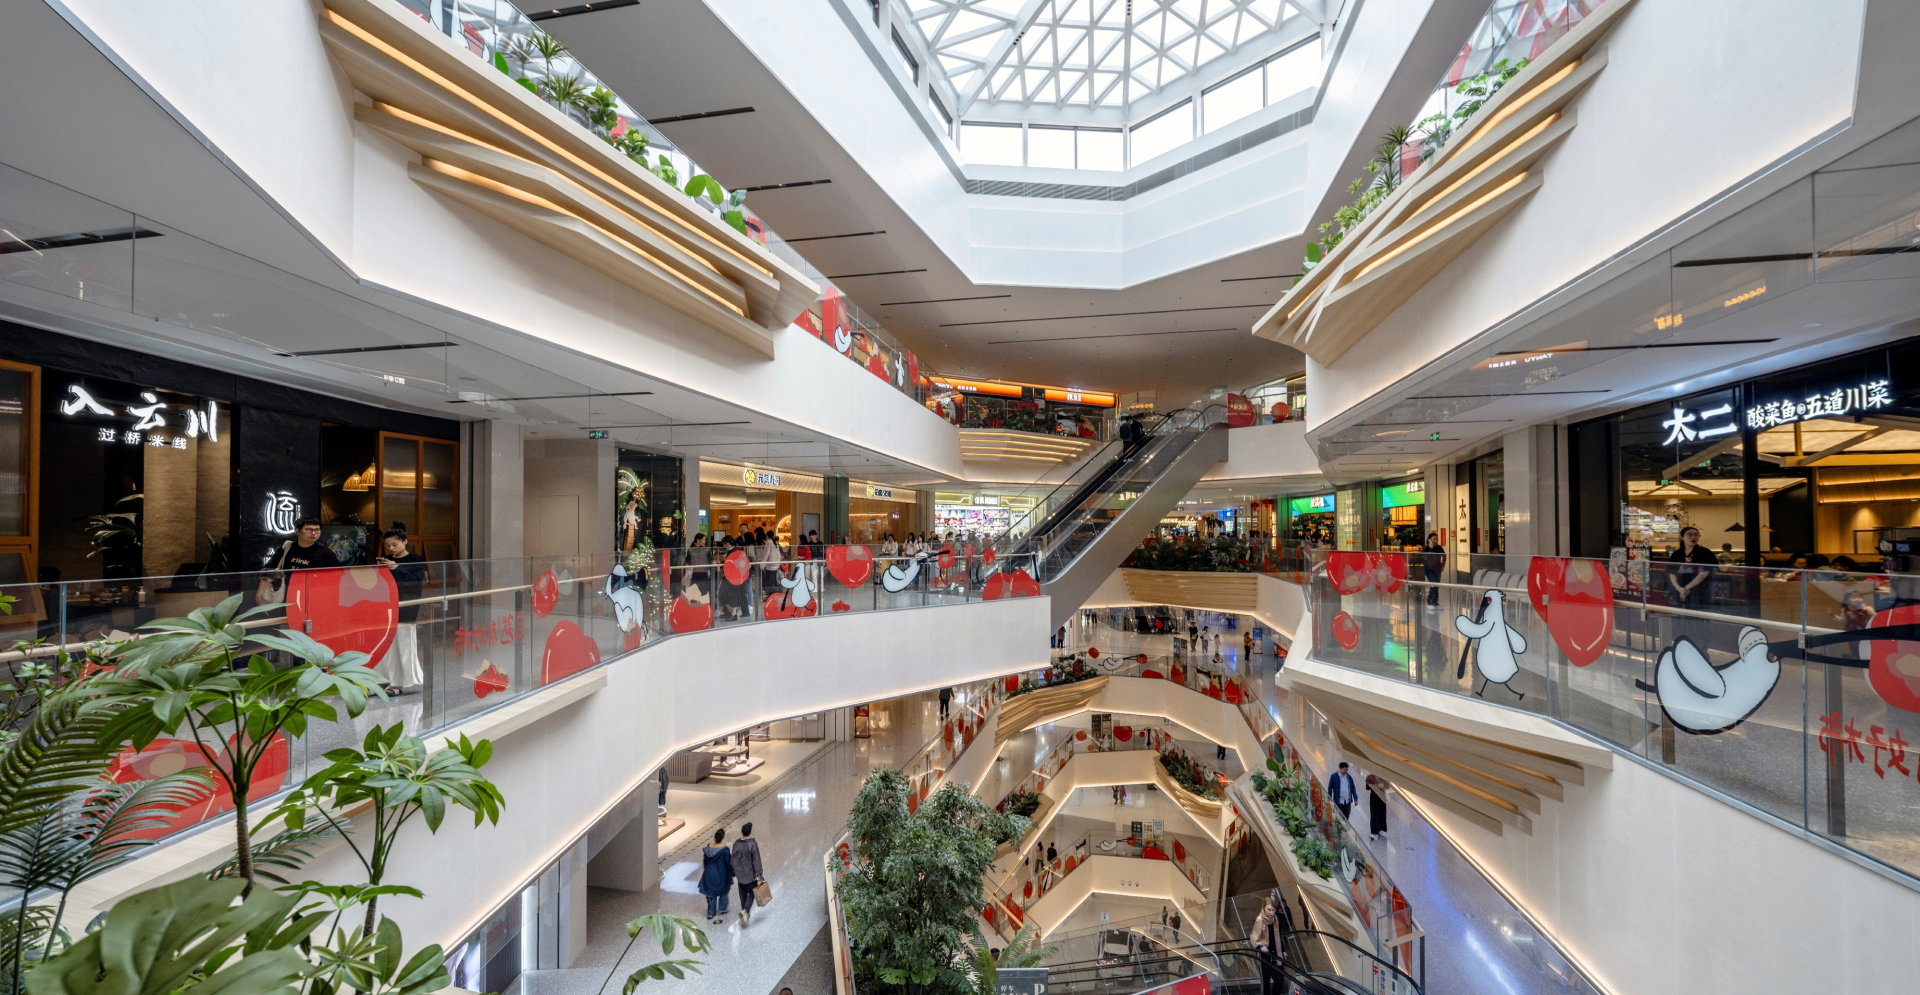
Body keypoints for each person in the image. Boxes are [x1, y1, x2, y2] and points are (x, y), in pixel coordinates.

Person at [373, 528, 428, 691]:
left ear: (405, 541)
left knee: (403, 641)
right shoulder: (387, 560)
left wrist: (397, 568)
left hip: (407, 604)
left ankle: (403, 681)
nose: (391, 548)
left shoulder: (415, 560)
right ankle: (381, 678)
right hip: (386, 604)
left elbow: (416, 582)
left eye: (395, 544)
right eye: (388, 545)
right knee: (384, 642)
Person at [258, 517, 340, 605]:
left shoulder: (326, 554)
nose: (313, 533)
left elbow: (333, 581)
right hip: (283, 596)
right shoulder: (286, 548)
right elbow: (268, 569)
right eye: (309, 530)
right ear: (297, 531)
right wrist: (260, 595)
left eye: (317, 530)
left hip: (312, 598)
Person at [730, 822, 764, 927]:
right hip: (750, 875)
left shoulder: (736, 844)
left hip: (740, 875)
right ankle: (745, 911)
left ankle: (744, 915)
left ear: (742, 832)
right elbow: (756, 860)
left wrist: (734, 871)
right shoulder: (752, 844)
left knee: (742, 894)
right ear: (750, 832)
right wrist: (759, 874)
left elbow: (733, 860)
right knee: (752, 893)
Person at [698, 828, 734, 924]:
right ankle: (722, 908)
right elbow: (728, 863)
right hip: (721, 874)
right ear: (722, 838)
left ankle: (710, 912)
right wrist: (732, 872)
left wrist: (706, 871)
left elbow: (705, 861)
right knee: (724, 890)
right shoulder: (725, 850)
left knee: (710, 893)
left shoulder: (708, 848)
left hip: (709, 874)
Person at [1422, 532, 1445, 609]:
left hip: (1437, 568)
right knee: (1434, 583)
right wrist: (1431, 548)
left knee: (1436, 585)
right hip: (1429, 569)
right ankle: (1429, 601)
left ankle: (1435, 602)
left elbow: (1444, 555)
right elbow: (1427, 556)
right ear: (1429, 540)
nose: (1435, 541)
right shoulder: (1426, 548)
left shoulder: (1439, 547)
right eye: (1434, 539)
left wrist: (1442, 565)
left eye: (1437, 539)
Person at [1366, 774, 1389, 839]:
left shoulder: (1384, 778)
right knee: (1374, 813)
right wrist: (1374, 786)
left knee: (1382, 813)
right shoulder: (1370, 777)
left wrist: (1383, 786)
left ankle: (1382, 829)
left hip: (1382, 797)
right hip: (1374, 797)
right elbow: (1367, 788)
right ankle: (1374, 831)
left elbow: (1388, 786)